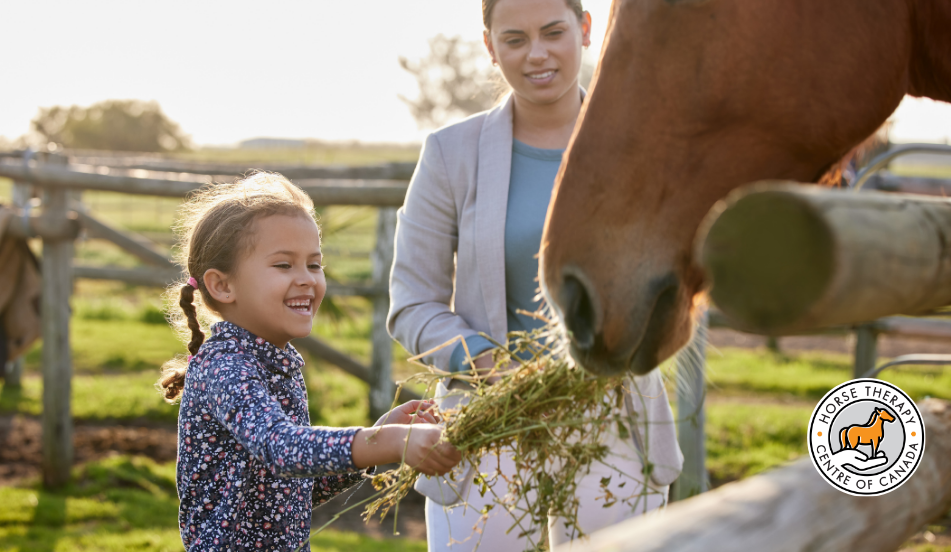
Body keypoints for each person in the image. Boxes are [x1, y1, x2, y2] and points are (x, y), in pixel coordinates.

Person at [387, 0, 685, 550]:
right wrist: (482, 360)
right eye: (515, 39)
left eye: (553, 32)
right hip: (486, 428)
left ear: (586, 29)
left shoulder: (642, 146)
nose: (537, 53)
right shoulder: (450, 154)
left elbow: (675, 276)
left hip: (612, 419)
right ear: (489, 46)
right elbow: (411, 303)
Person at [156, 172, 462, 551]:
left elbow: (294, 487)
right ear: (222, 285)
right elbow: (282, 448)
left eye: (314, 265)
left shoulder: (276, 362)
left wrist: (380, 430)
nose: (306, 279)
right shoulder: (226, 366)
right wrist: (388, 441)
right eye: (284, 266)